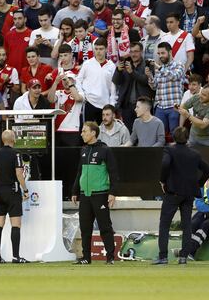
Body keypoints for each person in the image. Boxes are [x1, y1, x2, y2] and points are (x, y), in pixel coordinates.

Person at [153, 127, 209, 265]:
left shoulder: (169, 150)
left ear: (174, 137)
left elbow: (165, 163)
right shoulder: (195, 154)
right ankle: (183, 257)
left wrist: (163, 180)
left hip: (172, 192)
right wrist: (198, 184)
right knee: (187, 225)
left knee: (165, 224)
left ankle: (163, 256)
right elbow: (208, 170)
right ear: (187, 138)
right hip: (188, 194)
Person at [71, 121, 118, 265]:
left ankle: (110, 257)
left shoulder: (105, 150)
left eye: (84, 131)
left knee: (105, 227)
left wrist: (112, 192)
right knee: (85, 228)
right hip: (85, 195)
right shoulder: (83, 150)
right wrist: (75, 191)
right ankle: (86, 257)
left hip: (100, 195)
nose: (82, 133)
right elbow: (80, 172)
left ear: (93, 133)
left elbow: (113, 172)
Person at [0, 129, 30, 263]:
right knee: (15, 225)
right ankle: (16, 256)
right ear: (13, 139)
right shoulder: (16, 153)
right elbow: (19, 173)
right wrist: (25, 190)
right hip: (12, 192)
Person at [112, 42, 155, 132]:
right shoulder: (126, 64)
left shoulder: (148, 64)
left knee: (143, 132)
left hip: (143, 106)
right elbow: (116, 81)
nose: (133, 54)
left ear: (141, 52)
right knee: (128, 133)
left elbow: (146, 81)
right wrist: (118, 71)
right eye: (131, 52)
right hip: (127, 106)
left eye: (136, 51)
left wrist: (132, 72)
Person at [146, 42, 185, 137]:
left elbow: (174, 76)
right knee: (159, 135)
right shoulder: (159, 68)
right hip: (160, 107)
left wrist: (158, 68)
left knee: (175, 135)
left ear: (170, 52)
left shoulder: (179, 65)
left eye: (163, 53)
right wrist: (150, 76)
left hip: (174, 106)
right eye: (159, 54)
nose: (160, 56)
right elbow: (154, 86)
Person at [76, 38, 117, 125]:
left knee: (104, 133)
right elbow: (78, 80)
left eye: (101, 49)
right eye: (96, 49)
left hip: (105, 104)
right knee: (87, 131)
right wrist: (82, 94)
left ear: (106, 49)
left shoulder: (111, 66)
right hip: (89, 102)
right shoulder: (87, 64)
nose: (98, 52)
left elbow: (113, 87)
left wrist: (112, 104)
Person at [185, 161, 209, 260]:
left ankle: (189, 252)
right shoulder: (203, 184)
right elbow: (199, 204)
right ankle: (186, 250)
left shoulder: (208, 187)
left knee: (206, 225)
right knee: (193, 223)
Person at [47, 71, 84, 147]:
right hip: (58, 130)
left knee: (71, 157)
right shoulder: (58, 92)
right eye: (64, 80)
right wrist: (55, 82)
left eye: (69, 79)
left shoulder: (80, 93)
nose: (66, 81)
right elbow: (50, 99)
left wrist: (70, 83)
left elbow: (77, 98)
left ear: (74, 81)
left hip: (73, 131)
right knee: (58, 157)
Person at [4, 9, 32, 76]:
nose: (17, 21)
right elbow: (5, 54)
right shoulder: (8, 35)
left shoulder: (31, 34)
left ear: (25, 19)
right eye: (15, 19)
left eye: (19, 18)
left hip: (27, 71)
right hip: (11, 72)